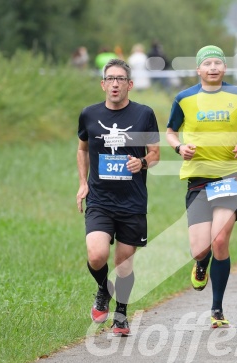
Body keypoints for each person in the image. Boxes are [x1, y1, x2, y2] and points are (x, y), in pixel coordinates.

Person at [166, 45, 237, 328]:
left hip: (230, 177)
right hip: (198, 179)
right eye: (208, 64)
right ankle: (201, 264)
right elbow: (169, 131)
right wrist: (180, 147)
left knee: (220, 241)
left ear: (224, 68)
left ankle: (217, 309)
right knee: (200, 248)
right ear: (199, 69)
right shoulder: (184, 98)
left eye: (218, 62)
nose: (213, 67)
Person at [76, 58, 161, 336]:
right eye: (110, 79)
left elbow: (155, 153)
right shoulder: (89, 114)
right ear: (103, 84)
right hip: (100, 199)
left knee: (124, 263)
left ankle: (121, 315)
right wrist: (82, 183)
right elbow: (81, 148)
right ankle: (103, 289)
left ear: (130, 84)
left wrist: (143, 163)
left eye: (120, 79)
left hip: (132, 201)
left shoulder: (144, 114)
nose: (115, 84)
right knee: (97, 255)